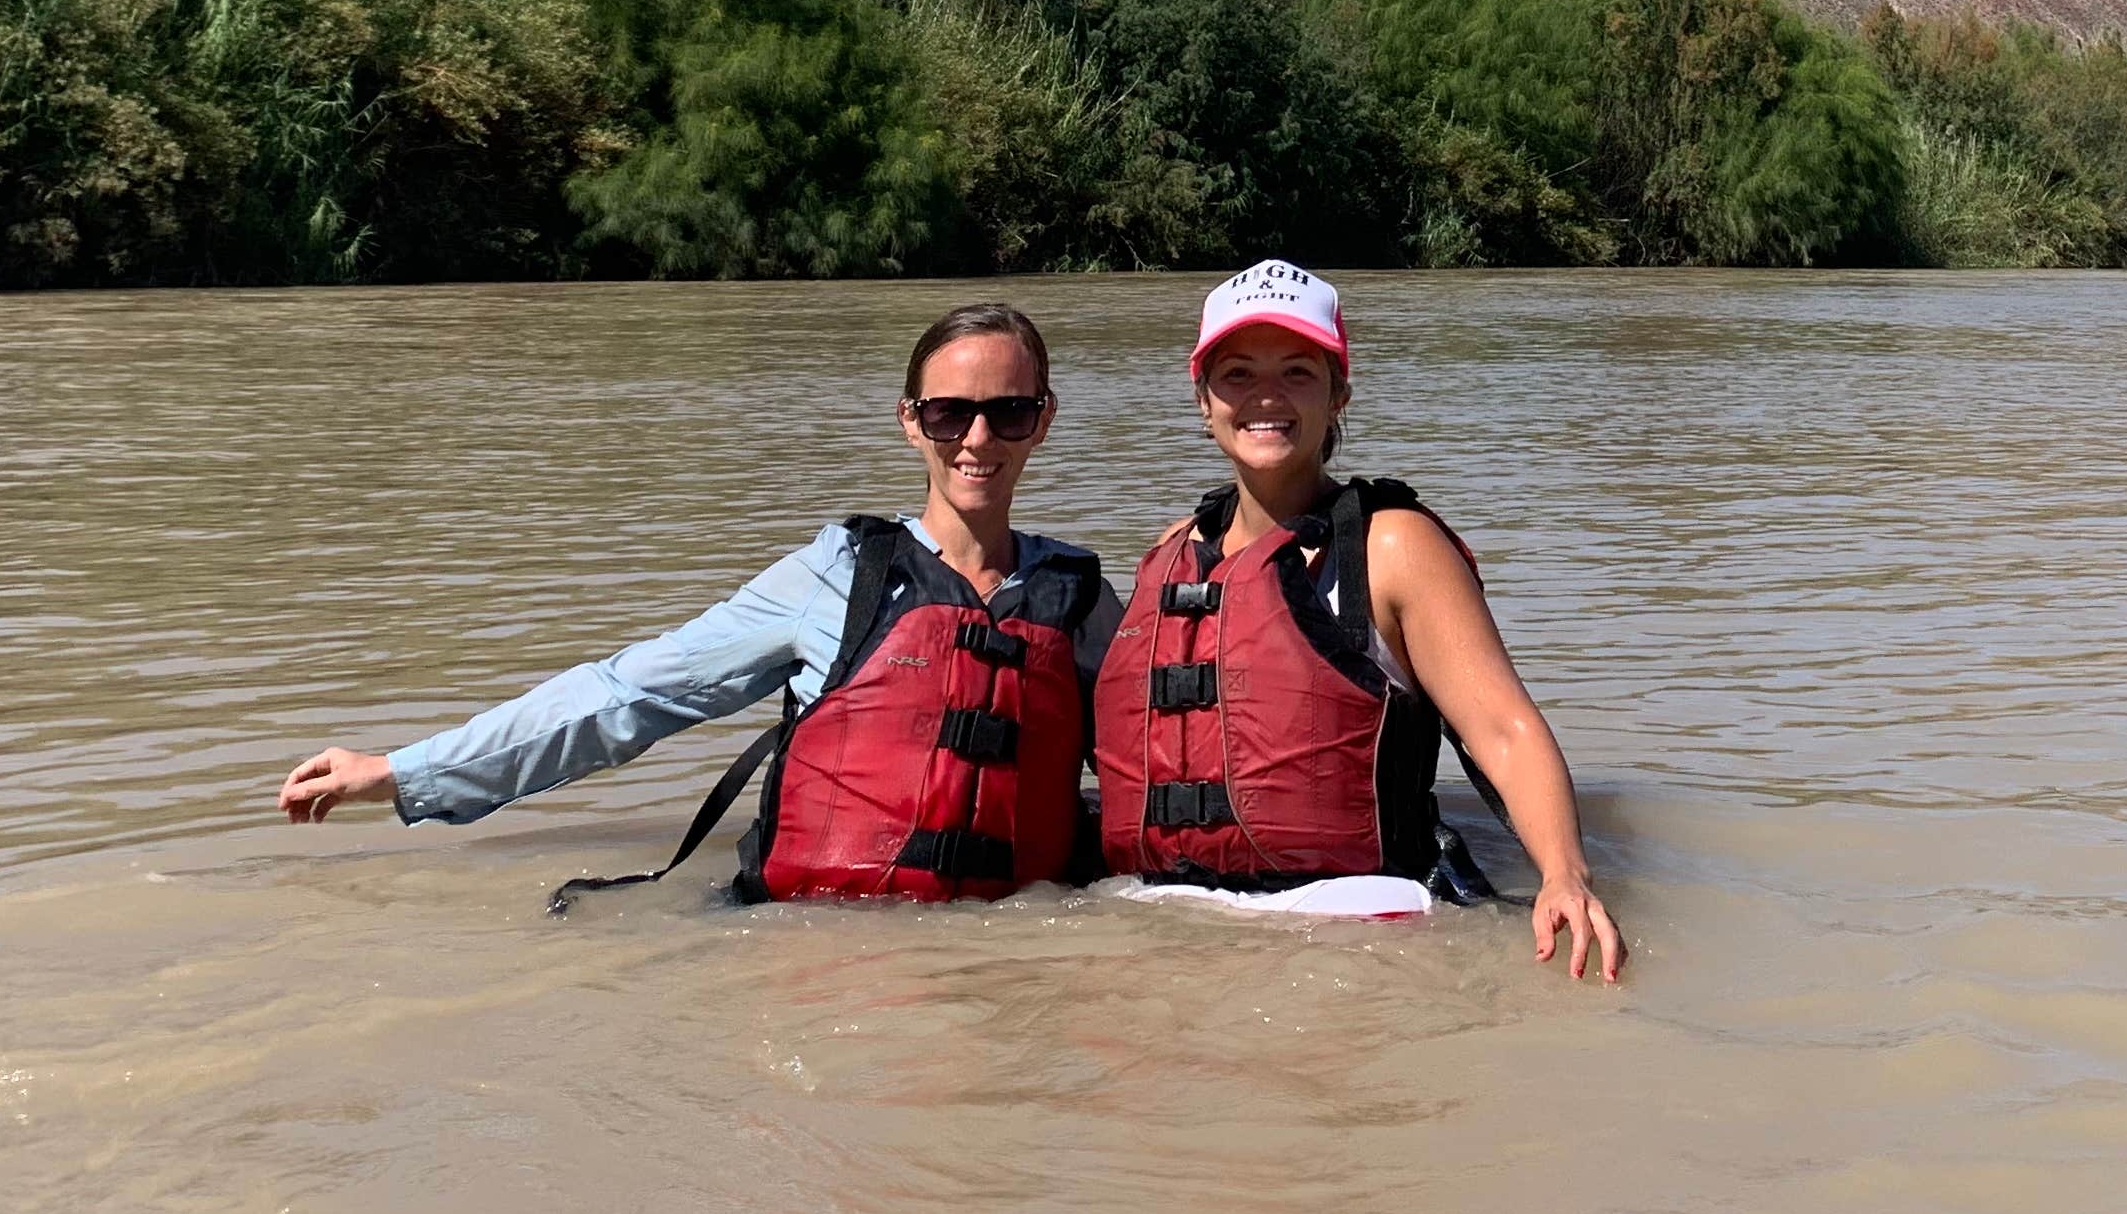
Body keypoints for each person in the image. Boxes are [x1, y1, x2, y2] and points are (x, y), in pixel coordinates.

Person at [276, 302, 1116, 904]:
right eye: (949, 413)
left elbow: (1166, 756)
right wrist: (402, 772)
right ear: (909, 420)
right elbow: (627, 696)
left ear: (1042, 420)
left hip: (1012, 965)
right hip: (826, 956)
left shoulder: (1078, 600)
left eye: (1008, 412)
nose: (977, 439)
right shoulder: (838, 576)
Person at [1095, 259, 1627, 980]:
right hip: (1165, 918)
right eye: (1238, 374)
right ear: (1203, 399)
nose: (1266, 397)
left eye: (1297, 373)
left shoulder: (1393, 545)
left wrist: (1565, 876)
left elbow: (1504, 729)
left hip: (1353, 926)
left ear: (1338, 392)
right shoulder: (1171, 553)